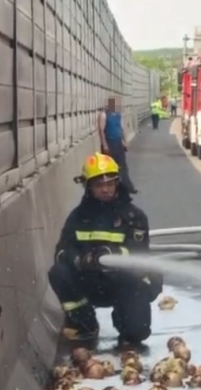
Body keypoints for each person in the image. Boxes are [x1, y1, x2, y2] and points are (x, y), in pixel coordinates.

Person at [48, 153, 163, 347]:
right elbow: (61, 252)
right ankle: (85, 323)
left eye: (110, 184)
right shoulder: (78, 218)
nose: (106, 189)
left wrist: (111, 255)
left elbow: (139, 256)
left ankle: (126, 324)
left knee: (137, 332)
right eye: (99, 185)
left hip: (124, 282)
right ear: (88, 187)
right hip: (90, 282)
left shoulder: (134, 217)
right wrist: (80, 260)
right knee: (58, 272)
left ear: (117, 183)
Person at [97, 97, 138, 194]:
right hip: (109, 143)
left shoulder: (118, 115)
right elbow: (101, 130)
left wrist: (124, 141)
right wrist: (104, 144)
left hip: (118, 143)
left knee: (123, 166)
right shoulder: (103, 115)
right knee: (110, 167)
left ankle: (128, 187)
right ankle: (111, 189)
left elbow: (121, 128)